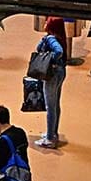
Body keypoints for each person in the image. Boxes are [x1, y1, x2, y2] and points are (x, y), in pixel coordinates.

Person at [35, 17, 66, 147]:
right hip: (61, 72)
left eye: (48, 22)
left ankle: (49, 138)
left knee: (50, 106)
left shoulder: (51, 38)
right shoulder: (60, 37)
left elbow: (58, 51)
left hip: (52, 74)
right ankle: (53, 132)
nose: (45, 23)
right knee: (56, 104)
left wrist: (49, 59)